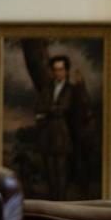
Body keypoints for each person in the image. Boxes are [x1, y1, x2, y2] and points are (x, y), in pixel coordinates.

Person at [34, 55, 91, 200]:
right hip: (47, 135)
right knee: (49, 171)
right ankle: (52, 202)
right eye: (55, 70)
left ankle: (60, 203)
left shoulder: (72, 90)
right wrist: (52, 110)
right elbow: (39, 107)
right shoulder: (47, 89)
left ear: (66, 71)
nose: (57, 72)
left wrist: (51, 111)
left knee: (61, 171)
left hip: (63, 135)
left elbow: (78, 107)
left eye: (60, 69)